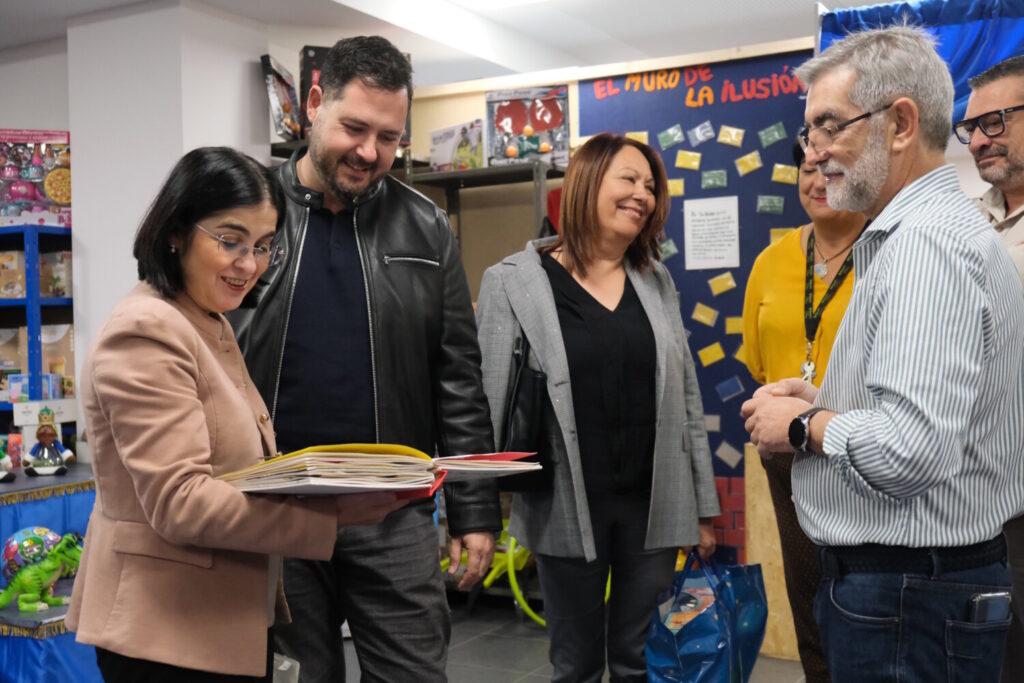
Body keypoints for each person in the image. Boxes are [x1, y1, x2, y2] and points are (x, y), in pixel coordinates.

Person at [741, 26, 1024, 683]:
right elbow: (934, 417)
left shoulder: (926, 245)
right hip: (914, 593)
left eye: (829, 126)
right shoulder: (923, 234)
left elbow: (911, 449)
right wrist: (828, 403)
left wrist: (802, 424)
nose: (814, 152)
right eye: (809, 132)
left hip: (908, 597)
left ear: (900, 123)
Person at [64, 147, 405, 681]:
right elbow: (180, 502)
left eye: (264, 246)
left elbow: (230, 466)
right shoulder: (147, 331)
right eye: (230, 241)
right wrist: (331, 514)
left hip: (211, 620)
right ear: (176, 231)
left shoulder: (205, 320)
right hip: (166, 631)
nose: (249, 264)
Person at [226, 36, 501, 682]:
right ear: (314, 103)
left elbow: (458, 378)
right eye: (354, 128)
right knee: (294, 675)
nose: (370, 152)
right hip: (273, 507)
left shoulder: (427, 228)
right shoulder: (247, 215)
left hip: (392, 512)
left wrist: (474, 509)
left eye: (389, 137)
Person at [475, 132, 720, 682]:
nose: (643, 195)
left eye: (651, 187)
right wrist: (478, 516)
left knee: (641, 661)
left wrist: (703, 509)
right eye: (629, 179)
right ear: (587, 183)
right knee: (577, 664)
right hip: (564, 505)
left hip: (653, 506)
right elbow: (488, 402)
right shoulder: (512, 281)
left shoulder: (655, 280)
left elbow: (686, 397)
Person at [741, 141, 866, 683]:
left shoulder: (886, 251)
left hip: (860, 453)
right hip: (787, 456)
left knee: (863, 603)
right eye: (808, 169)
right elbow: (757, 359)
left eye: (831, 168)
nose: (818, 181)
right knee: (808, 599)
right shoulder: (770, 262)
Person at [959, 55, 1024, 683]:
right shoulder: (963, 223)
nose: (979, 140)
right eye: (972, 127)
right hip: (978, 492)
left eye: (996, 121)